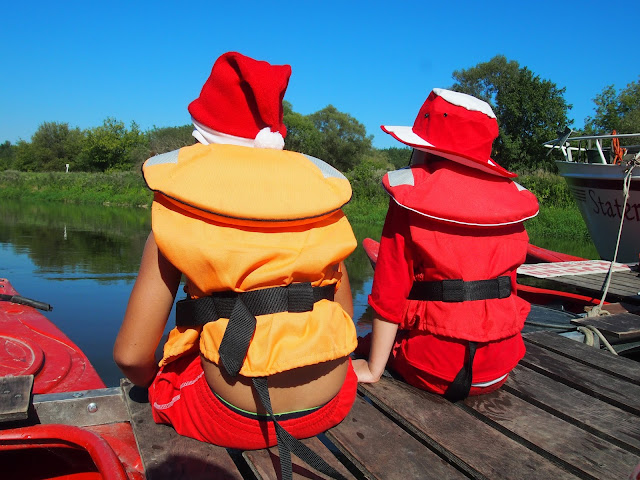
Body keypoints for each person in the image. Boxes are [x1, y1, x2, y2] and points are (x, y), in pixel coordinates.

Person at [114, 52, 357, 479]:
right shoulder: (323, 212)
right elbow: (344, 318)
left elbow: (131, 356)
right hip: (334, 399)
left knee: (167, 376)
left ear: (201, 140)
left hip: (231, 415)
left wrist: (158, 380)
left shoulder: (177, 214)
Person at [353, 88, 539, 401]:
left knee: (361, 346)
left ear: (426, 151)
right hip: (500, 367)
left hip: (430, 367)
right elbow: (509, 289)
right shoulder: (511, 204)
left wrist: (373, 369)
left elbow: (389, 294)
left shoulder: (410, 199)